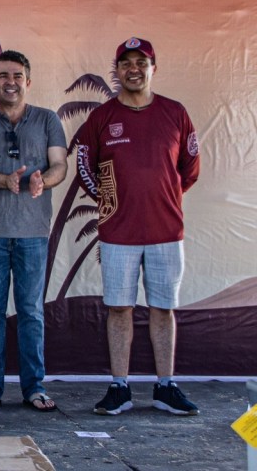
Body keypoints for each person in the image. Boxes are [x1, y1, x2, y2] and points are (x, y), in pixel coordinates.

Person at [74, 37, 200, 416]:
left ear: (153, 68)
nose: (133, 69)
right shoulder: (101, 118)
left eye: (141, 63)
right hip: (118, 235)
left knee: (163, 309)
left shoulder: (175, 113)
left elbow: (189, 171)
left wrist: (161, 198)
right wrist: (111, 203)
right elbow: (85, 168)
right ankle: (119, 386)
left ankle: (165, 386)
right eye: (126, 63)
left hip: (166, 233)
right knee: (119, 309)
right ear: (117, 71)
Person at [0, 50, 67, 412]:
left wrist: (42, 180)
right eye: (4, 76)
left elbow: (60, 166)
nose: (11, 82)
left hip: (33, 233)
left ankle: (34, 387)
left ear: (28, 81)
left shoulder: (48, 120)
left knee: (31, 312)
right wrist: (4, 181)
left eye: (18, 76)